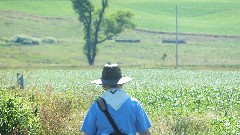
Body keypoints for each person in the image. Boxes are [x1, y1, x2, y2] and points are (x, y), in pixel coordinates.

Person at [81, 63, 152, 135]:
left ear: (104, 85)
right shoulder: (134, 104)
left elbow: (88, 133)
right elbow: (145, 132)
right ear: (121, 84)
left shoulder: (96, 105)